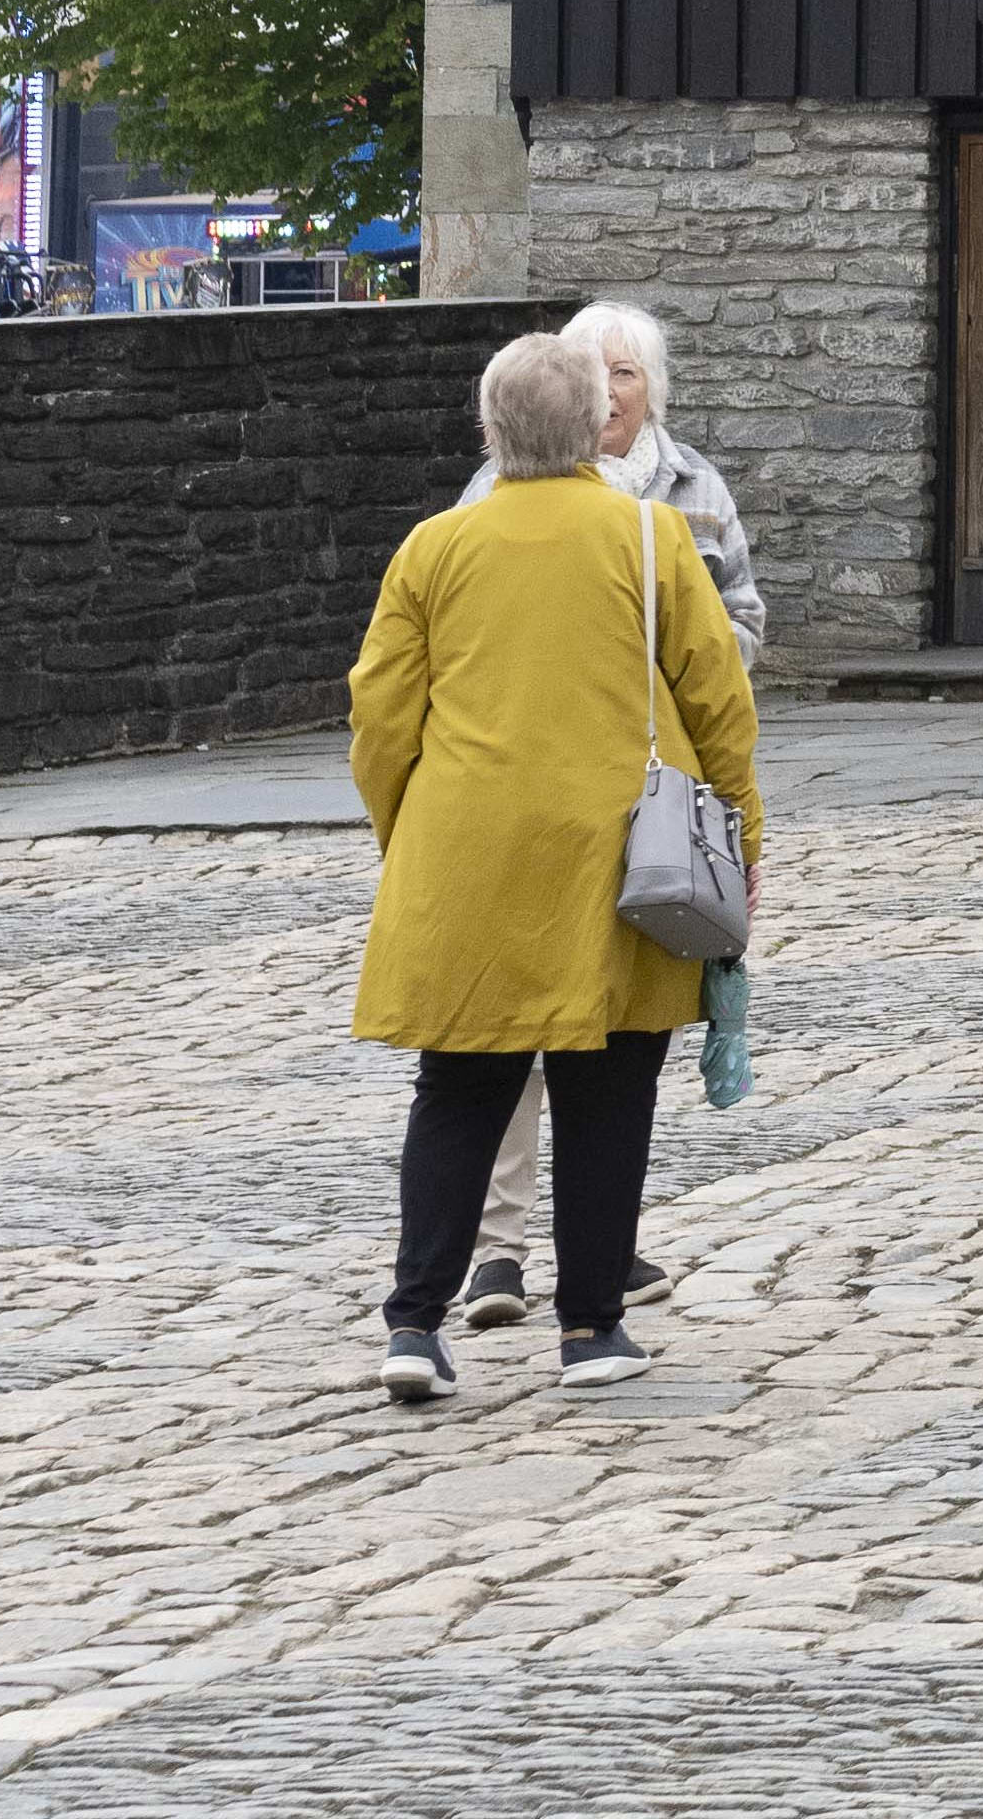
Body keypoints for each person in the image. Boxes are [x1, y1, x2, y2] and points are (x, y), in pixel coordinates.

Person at [350, 327, 763, 1401]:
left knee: (457, 1086)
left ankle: (414, 1321)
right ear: (594, 426)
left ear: (488, 430)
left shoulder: (433, 549)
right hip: (618, 854)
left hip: (467, 853)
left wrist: (411, 835)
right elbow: (721, 705)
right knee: (609, 1085)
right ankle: (589, 1326)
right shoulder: (651, 538)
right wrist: (743, 843)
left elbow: (381, 720)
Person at [453, 296, 767, 1329]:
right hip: (536, 792)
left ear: (649, 390)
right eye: (595, 374)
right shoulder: (487, 501)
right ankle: (498, 1252)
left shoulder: (693, 491)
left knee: (617, 1031)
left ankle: (602, 1249)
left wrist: (674, 696)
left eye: (626, 373)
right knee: (518, 1032)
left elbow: (739, 628)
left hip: (655, 798)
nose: (610, 392)